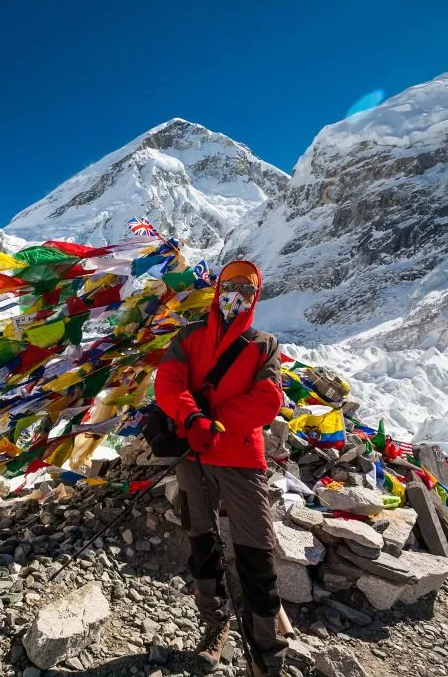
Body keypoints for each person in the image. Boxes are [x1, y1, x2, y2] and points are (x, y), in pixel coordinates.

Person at [154, 260, 288, 677]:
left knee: (257, 553)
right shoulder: (189, 335)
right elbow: (167, 383)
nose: (235, 296)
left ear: (255, 297)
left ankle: (267, 654)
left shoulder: (262, 343)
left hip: (241, 457)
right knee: (202, 541)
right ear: (217, 290)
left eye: (245, 290)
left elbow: (269, 400)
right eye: (229, 286)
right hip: (194, 455)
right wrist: (193, 419)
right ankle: (216, 624)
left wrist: (216, 419)